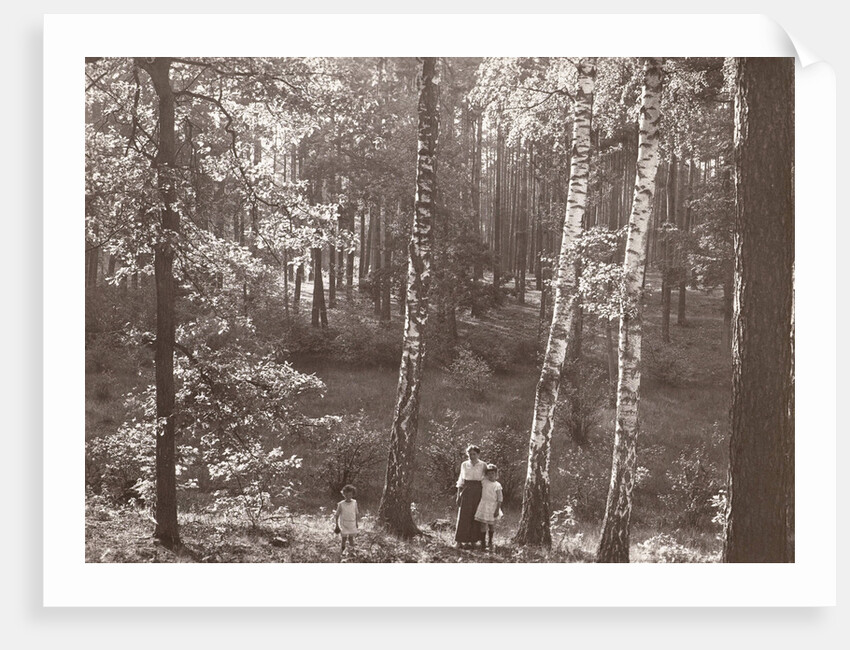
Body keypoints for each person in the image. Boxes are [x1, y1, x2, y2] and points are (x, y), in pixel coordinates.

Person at [454, 445, 488, 549]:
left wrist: (486, 495)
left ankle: (473, 540)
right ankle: (459, 541)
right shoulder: (464, 464)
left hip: (478, 491)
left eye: (474, 454)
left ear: (478, 454)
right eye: (470, 454)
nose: (472, 456)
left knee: (475, 516)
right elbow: (461, 480)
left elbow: (485, 480)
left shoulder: (483, 465)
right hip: (466, 490)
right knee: (463, 515)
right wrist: (458, 494)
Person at [474, 464, 503, 552]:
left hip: (493, 507)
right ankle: (483, 542)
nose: (491, 475)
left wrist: (497, 509)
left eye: (493, 474)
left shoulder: (497, 485)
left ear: (496, 474)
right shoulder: (484, 481)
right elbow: (480, 474)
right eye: (489, 473)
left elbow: (500, 498)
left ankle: (490, 541)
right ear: (487, 474)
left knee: (491, 525)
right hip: (484, 505)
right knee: (483, 524)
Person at [333, 484, 361, 552]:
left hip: (352, 523)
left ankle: (352, 552)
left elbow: (356, 513)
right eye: (346, 495)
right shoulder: (341, 504)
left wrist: (357, 523)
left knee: (351, 538)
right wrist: (337, 525)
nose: (348, 497)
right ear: (343, 494)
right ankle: (342, 551)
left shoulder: (354, 502)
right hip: (344, 524)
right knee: (344, 539)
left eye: (350, 495)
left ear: (352, 494)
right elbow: (337, 515)